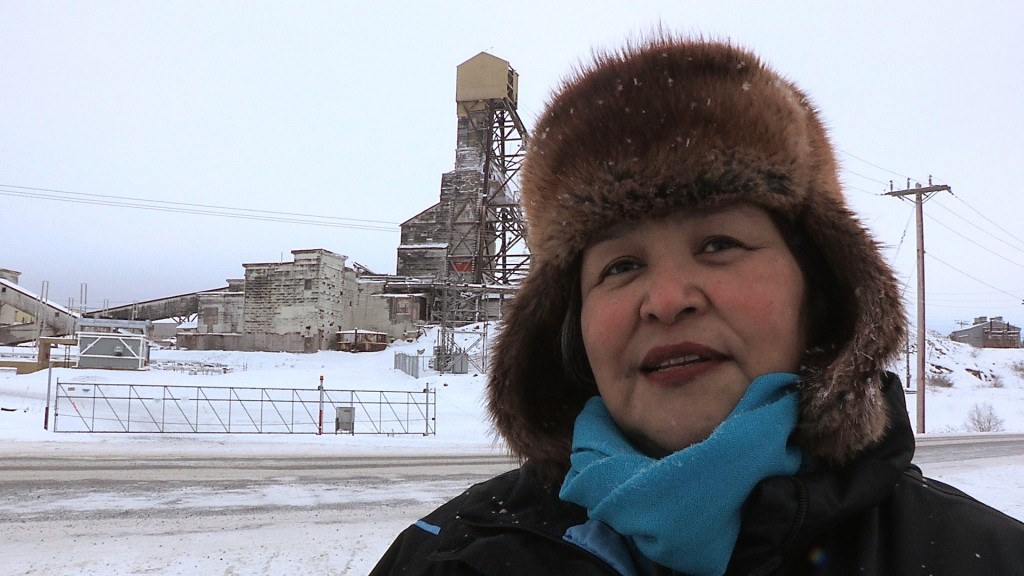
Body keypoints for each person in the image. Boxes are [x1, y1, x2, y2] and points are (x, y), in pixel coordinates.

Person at [370, 36, 1024, 576]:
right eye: (621, 266)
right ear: (567, 330)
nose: (667, 300)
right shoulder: (444, 561)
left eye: (718, 243)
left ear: (821, 292)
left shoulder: (983, 559)